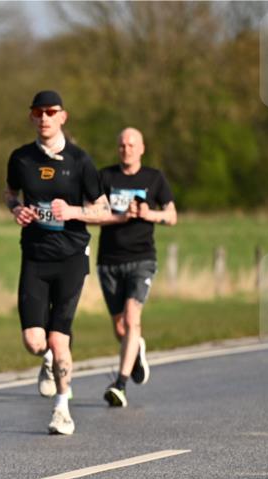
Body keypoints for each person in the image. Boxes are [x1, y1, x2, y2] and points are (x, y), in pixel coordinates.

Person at [3, 90, 110, 435]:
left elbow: (105, 210)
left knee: (59, 338)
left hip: (71, 258)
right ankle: (47, 359)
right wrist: (16, 209)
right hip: (35, 255)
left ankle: (62, 408)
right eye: (38, 111)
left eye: (51, 111)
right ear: (31, 117)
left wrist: (75, 211)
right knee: (35, 342)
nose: (44, 117)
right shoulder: (20, 158)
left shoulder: (80, 161)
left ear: (63, 116)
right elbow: (9, 193)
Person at [98, 127, 177, 407]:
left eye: (131, 145)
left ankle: (119, 384)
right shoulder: (105, 177)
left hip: (142, 259)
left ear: (142, 148)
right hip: (109, 261)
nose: (126, 149)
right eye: (121, 145)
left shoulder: (154, 178)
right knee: (121, 329)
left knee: (132, 319)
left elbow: (172, 215)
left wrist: (149, 214)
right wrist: (119, 216)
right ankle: (137, 347)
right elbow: (92, 214)